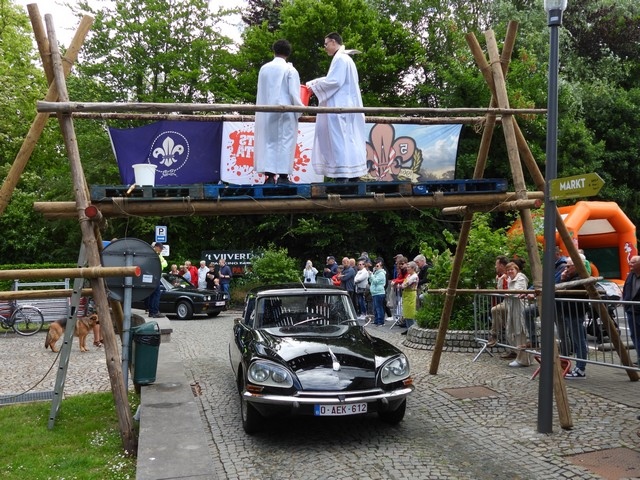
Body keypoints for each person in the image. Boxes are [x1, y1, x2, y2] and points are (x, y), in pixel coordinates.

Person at [306, 32, 366, 182]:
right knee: (349, 140)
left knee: (338, 140)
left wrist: (314, 86)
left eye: (326, 44)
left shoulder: (340, 58)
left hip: (340, 107)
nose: (325, 47)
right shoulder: (346, 59)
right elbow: (333, 79)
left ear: (333, 42)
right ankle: (353, 174)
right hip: (349, 106)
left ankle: (341, 175)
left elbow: (334, 82)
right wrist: (316, 82)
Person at [254, 39, 304, 185]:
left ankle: (269, 177)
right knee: (285, 142)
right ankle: (283, 176)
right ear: (288, 53)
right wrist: (300, 110)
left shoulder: (264, 69)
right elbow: (294, 94)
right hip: (286, 110)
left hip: (266, 110)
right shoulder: (290, 70)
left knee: (269, 141)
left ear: (274, 51)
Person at [557, 257, 589, 378]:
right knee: (577, 340)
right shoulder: (571, 277)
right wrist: (563, 279)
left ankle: (581, 368)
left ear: (576, 266)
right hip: (569, 312)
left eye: (568, 266)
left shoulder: (580, 278)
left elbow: (564, 290)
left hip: (575, 312)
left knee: (579, 340)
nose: (566, 269)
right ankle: (579, 367)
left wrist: (563, 280)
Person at [504, 261, 531, 367]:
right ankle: (521, 356)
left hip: (520, 307)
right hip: (512, 306)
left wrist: (508, 293)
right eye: (508, 270)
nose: (510, 271)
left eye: (512, 269)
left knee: (521, 331)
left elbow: (518, 291)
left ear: (516, 270)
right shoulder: (509, 279)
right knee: (513, 331)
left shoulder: (521, 278)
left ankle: (523, 359)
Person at [487, 255, 509, 350]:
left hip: (511, 302)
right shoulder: (501, 276)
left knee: (495, 310)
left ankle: (494, 335)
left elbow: (504, 291)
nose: (495, 266)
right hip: (506, 301)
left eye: (496, 264)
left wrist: (500, 281)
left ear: (501, 265)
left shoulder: (507, 276)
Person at [622, 255, 640, 367]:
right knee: (634, 335)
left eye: (633, 263)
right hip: (631, 310)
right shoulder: (630, 276)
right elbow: (626, 289)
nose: (630, 264)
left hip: (638, 310)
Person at [398, 261, 419, 335]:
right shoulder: (409, 275)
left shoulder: (414, 276)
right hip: (406, 294)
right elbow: (404, 283)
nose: (407, 268)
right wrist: (402, 285)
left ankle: (412, 329)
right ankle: (408, 328)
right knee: (406, 313)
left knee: (410, 313)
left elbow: (405, 284)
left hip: (411, 295)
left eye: (408, 267)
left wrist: (401, 285)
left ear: (413, 268)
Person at [148, 242, 167, 318]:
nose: (161, 250)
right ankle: (155, 312)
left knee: (152, 294)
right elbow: (158, 264)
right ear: (156, 247)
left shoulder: (155, 254)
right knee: (156, 294)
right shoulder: (154, 254)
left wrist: (161, 263)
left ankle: (151, 312)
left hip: (154, 275)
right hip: (155, 275)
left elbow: (165, 263)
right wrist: (161, 263)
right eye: (161, 248)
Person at [370, 260, 387, 326]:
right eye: (375, 266)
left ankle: (381, 322)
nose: (376, 267)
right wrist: (371, 275)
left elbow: (375, 281)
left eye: (377, 266)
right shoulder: (376, 273)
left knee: (379, 307)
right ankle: (376, 320)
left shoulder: (381, 273)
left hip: (379, 292)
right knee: (375, 308)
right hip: (375, 292)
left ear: (381, 267)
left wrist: (371, 275)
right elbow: (371, 281)